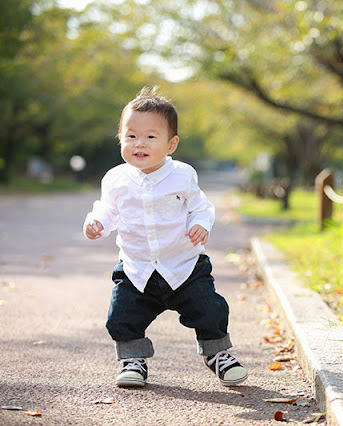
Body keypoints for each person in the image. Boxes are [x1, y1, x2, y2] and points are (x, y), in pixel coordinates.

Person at [83, 86, 247, 388]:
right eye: (130, 136)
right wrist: (97, 223)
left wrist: (201, 224)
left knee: (210, 309)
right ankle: (133, 360)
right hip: (137, 268)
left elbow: (201, 207)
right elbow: (107, 210)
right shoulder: (116, 179)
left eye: (150, 136)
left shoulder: (183, 175)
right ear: (120, 138)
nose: (139, 143)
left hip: (184, 265)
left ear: (171, 144)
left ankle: (218, 353)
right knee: (120, 317)